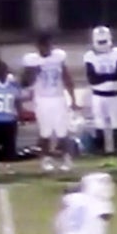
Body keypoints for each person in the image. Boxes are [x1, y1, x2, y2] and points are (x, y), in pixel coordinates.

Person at [22, 32, 78, 172]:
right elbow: (24, 82)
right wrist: (33, 72)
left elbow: (67, 77)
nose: (45, 49)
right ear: (38, 46)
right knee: (44, 132)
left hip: (58, 98)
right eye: (42, 46)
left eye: (47, 46)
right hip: (41, 99)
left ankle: (67, 159)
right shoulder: (31, 60)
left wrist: (73, 99)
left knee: (62, 131)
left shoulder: (58, 57)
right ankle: (46, 160)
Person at [84, 25, 117, 155]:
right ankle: (101, 150)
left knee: (116, 122)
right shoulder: (89, 55)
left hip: (114, 95)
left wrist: (102, 77)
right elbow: (92, 79)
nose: (102, 44)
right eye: (100, 42)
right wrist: (110, 76)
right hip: (98, 95)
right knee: (99, 122)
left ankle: (116, 149)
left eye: (104, 41)